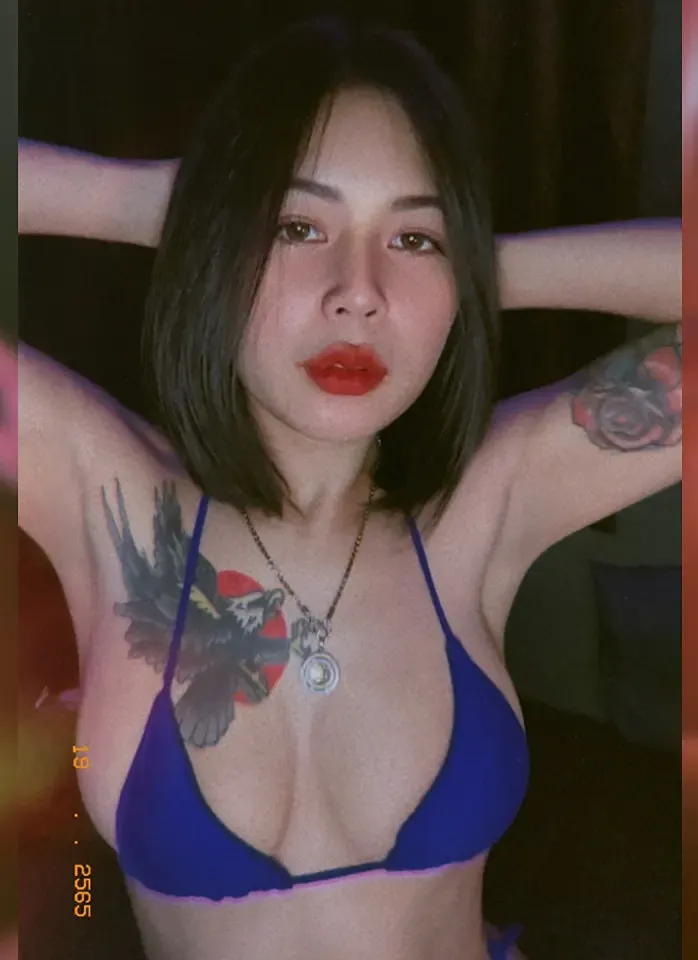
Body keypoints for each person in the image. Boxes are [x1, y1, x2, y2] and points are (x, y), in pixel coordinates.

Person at [13, 15, 681, 960]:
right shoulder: (100, 491)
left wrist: (467, 267)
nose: (358, 291)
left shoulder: (486, 502)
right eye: (295, 226)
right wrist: (169, 211)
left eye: (410, 237)